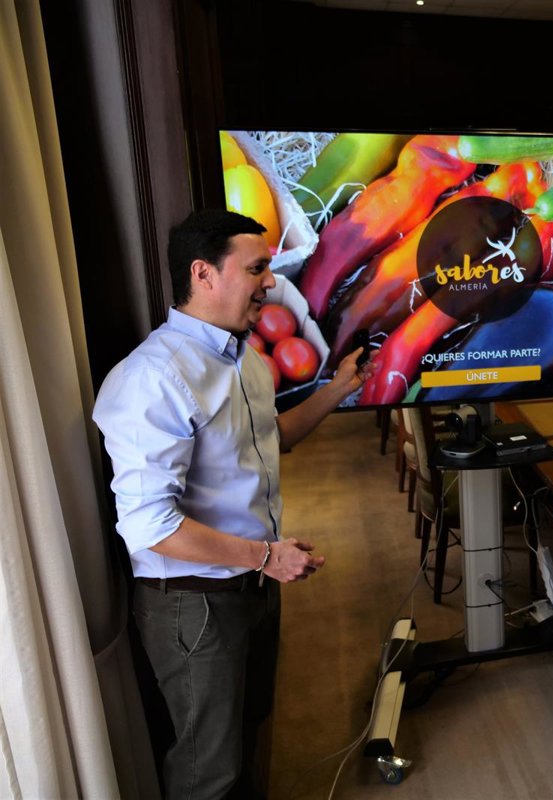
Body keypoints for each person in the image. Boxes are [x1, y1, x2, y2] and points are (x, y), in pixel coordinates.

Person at [93, 209, 373, 799]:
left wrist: (340, 388)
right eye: (257, 268)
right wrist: (266, 556)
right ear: (204, 274)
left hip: (249, 585)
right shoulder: (152, 378)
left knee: (246, 740)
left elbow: (274, 436)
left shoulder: (242, 356)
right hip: (194, 605)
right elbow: (150, 527)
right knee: (209, 771)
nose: (271, 281)